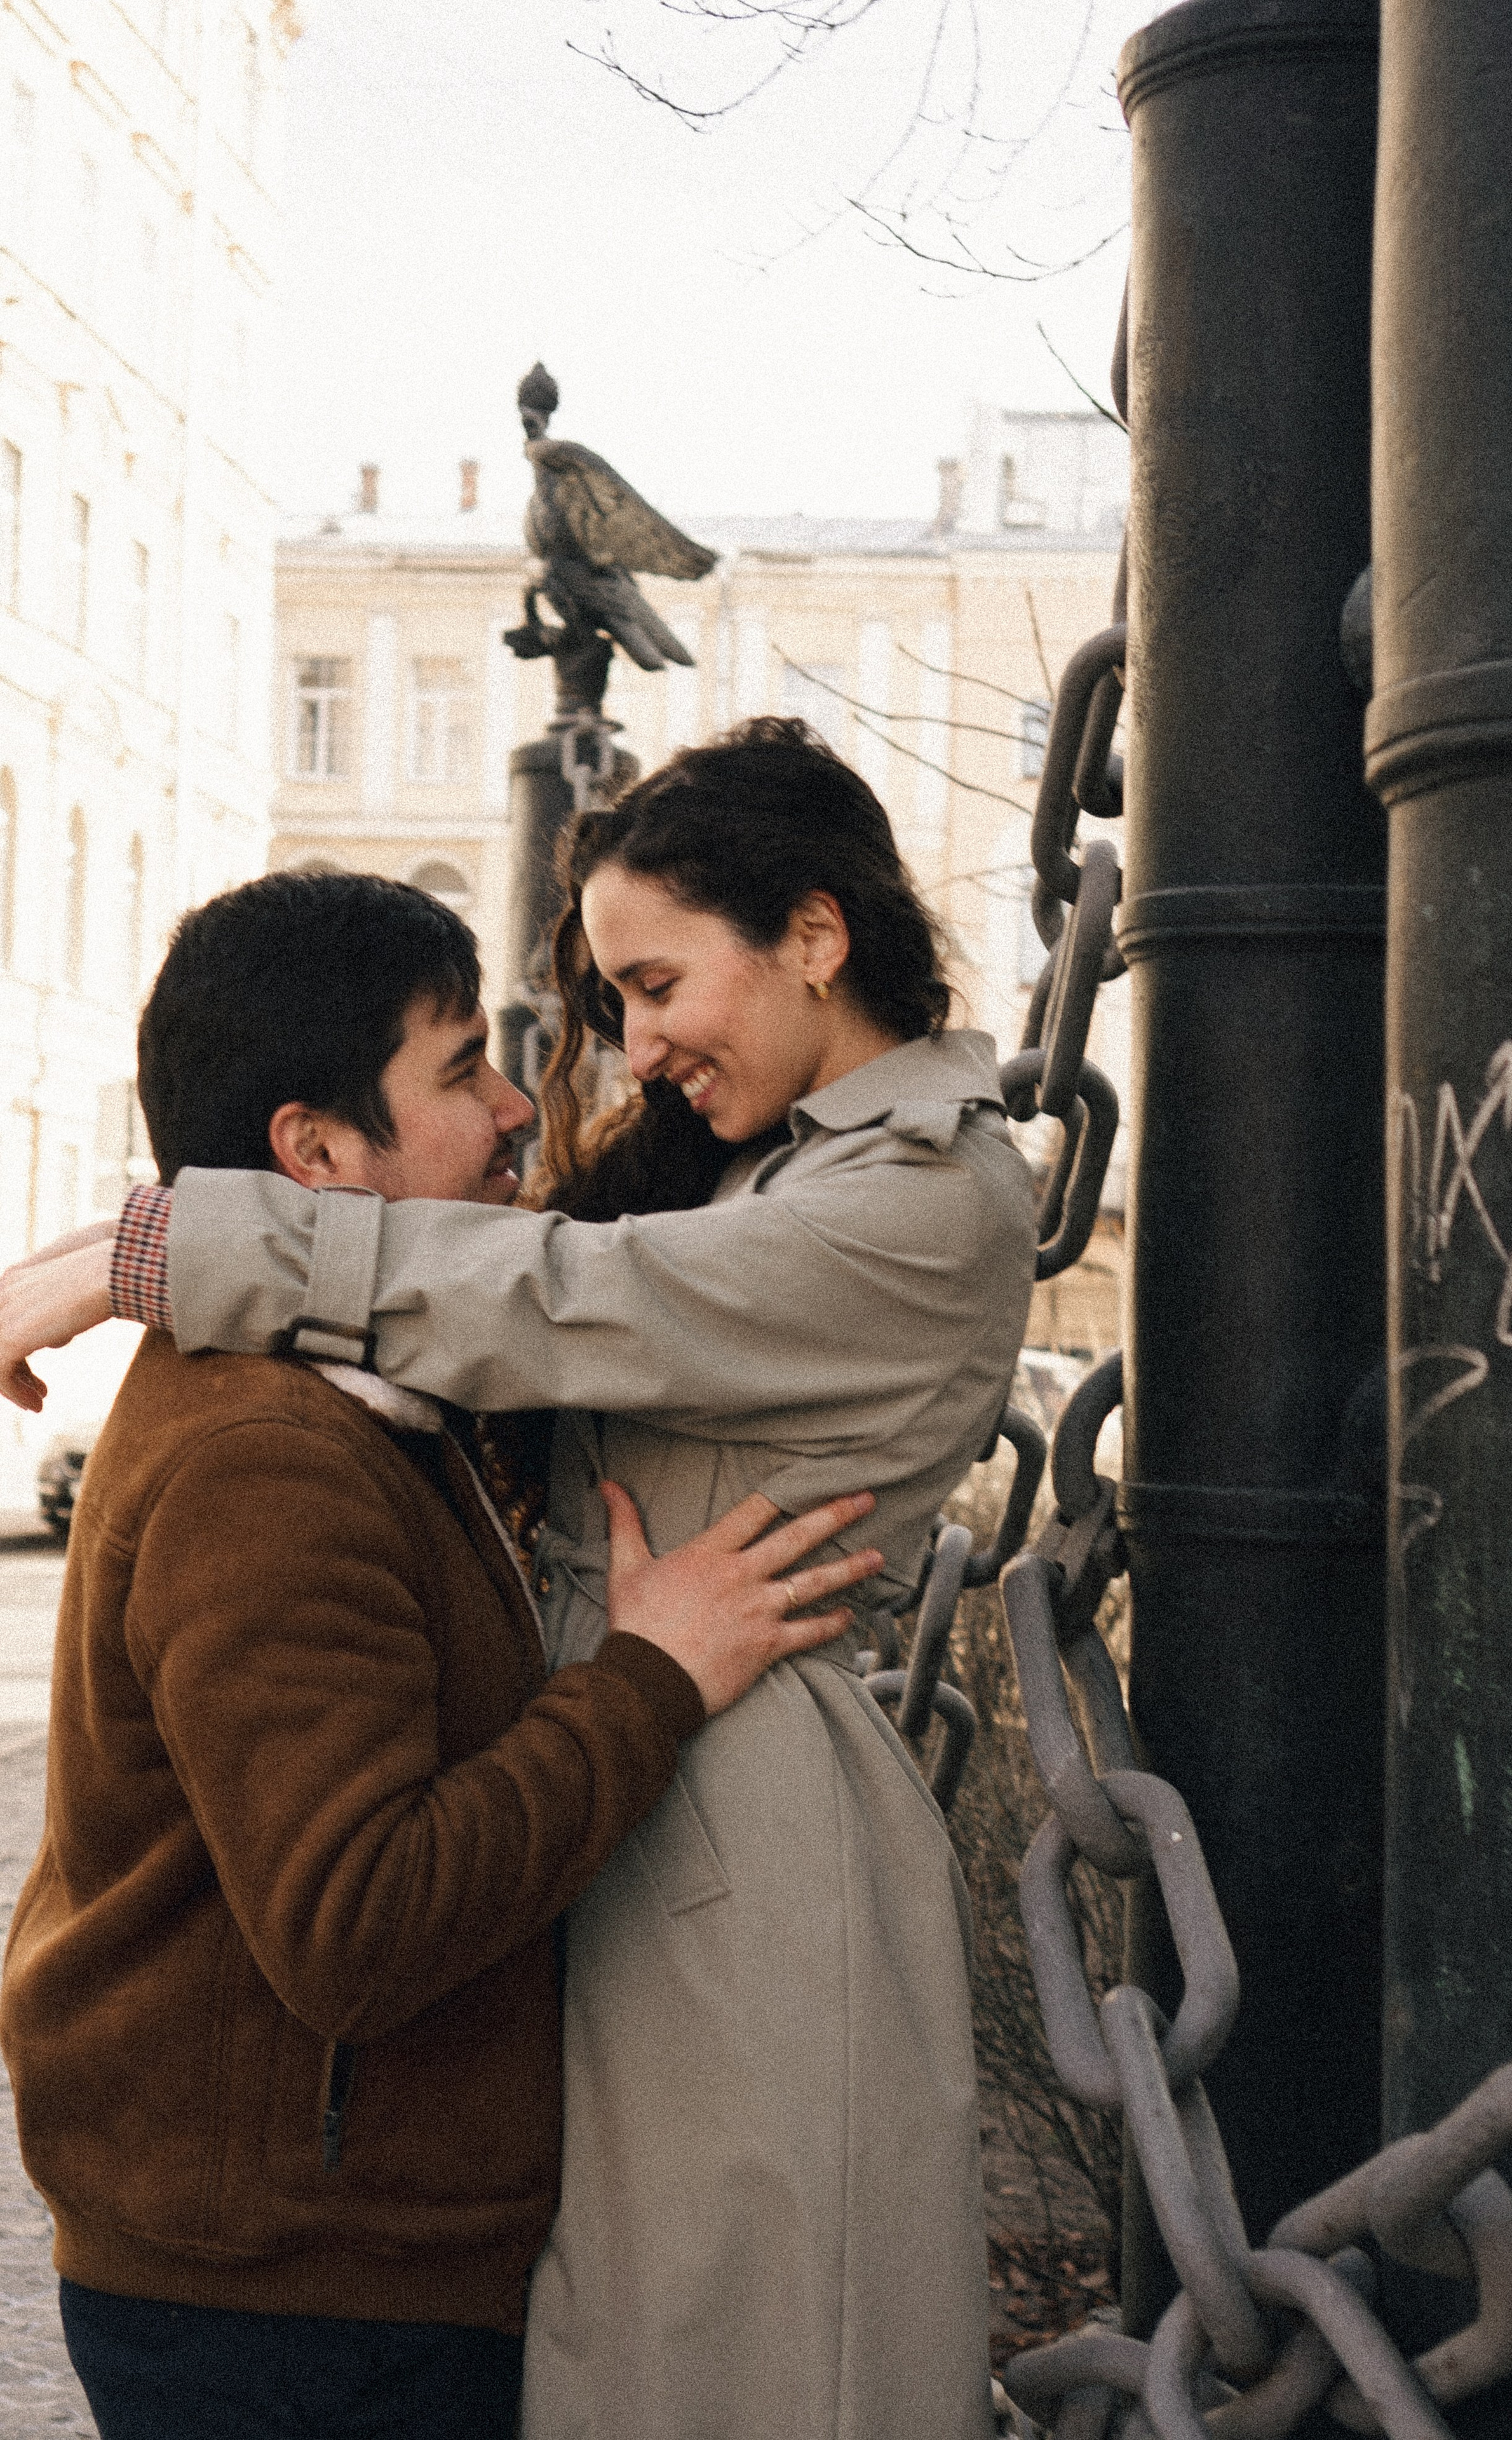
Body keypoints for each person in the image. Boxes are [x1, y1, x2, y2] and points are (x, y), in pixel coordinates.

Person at [0, 720, 1039, 2440]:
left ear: (815, 936)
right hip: (629, 1783)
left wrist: (153, 1247)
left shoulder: (919, 1197)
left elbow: (557, 1298)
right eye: (607, 1000)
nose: (629, 1048)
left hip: (730, 1827)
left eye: (656, 984)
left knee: (753, 2360)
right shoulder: (759, 1164)